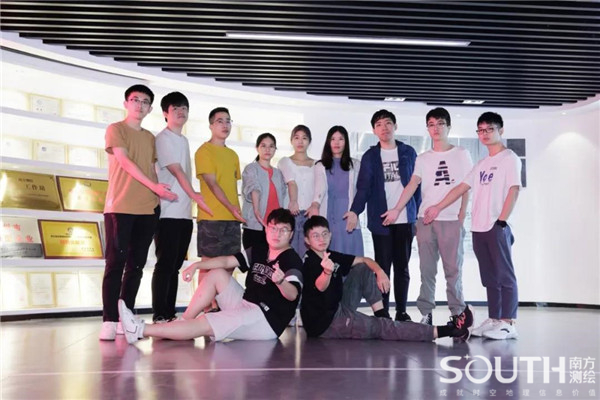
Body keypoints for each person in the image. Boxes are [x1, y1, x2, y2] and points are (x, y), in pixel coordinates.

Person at [118, 208, 303, 343]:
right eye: (273, 228)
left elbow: (293, 294)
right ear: (266, 229)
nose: (277, 234)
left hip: (265, 320)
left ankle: (139, 330)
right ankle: (184, 322)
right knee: (217, 274)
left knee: (207, 322)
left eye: (283, 230)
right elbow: (226, 262)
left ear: (291, 234)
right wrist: (197, 265)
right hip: (246, 303)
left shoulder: (292, 260)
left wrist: (281, 281)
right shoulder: (260, 250)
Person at [424, 111, 521, 340]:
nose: (485, 134)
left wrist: (502, 220)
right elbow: (460, 188)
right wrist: (437, 207)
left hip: (496, 226)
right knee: (489, 277)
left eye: (490, 129)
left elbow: (514, 189)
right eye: (481, 130)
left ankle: (508, 322)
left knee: (505, 275)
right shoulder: (482, 163)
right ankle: (495, 319)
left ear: (500, 131)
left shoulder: (509, 158)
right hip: (479, 228)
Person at [300, 216, 473, 341]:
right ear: (307, 240)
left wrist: (380, 272)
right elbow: (320, 286)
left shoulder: (331, 255)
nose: (321, 239)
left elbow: (365, 260)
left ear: (330, 235)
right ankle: (448, 331)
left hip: (337, 306)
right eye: (315, 236)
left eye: (324, 234)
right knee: (383, 328)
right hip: (327, 324)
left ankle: (382, 314)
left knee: (362, 268)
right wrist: (327, 272)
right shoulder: (310, 262)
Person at [381, 108, 472, 326]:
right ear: (427, 129)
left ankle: (457, 313)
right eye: (431, 124)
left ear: (448, 127)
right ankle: (426, 312)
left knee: (453, 270)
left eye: (440, 123)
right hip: (425, 221)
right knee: (427, 270)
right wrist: (396, 209)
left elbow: (466, 185)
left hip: (450, 219)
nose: (436, 128)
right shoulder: (423, 158)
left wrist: (460, 214)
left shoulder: (461, 154)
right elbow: (412, 184)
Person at [100, 84, 178, 340]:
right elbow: (124, 161)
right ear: (126, 103)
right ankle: (109, 319)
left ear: (150, 108)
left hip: (147, 209)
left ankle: (125, 316)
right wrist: (155, 187)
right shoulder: (116, 129)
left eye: (145, 102)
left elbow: (153, 168)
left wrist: (158, 195)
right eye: (136, 100)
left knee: (136, 266)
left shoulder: (149, 138)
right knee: (115, 264)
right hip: (120, 207)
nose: (140, 105)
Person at [346, 110, 420, 321]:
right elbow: (363, 188)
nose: (384, 128)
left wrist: (415, 213)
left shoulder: (408, 152)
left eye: (388, 123)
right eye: (379, 124)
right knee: (383, 267)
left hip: (405, 219)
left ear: (395, 126)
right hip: (381, 220)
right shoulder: (370, 156)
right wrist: (355, 211)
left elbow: (417, 186)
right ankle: (383, 312)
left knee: (402, 267)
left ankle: (402, 311)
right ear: (373, 130)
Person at [151, 91, 212, 323]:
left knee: (175, 265)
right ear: (165, 113)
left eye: (184, 108)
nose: (180, 112)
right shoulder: (163, 138)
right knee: (165, 264)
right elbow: (176, 171)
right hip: (168, 212)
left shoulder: (183, 140)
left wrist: (192, 200)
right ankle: (159, 314)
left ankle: (169, 312)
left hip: (184, 214)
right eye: (175, 108)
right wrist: (195, 195)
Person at [194, 107, 245, 295]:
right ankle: (205, 306)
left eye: (228, 121)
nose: (225, 125)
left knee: (230, 264)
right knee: (208, 264)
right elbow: (212, 183)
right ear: (211, 126)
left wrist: (235, 210)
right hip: (211, 217)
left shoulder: (233, 155)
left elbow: (232, 186)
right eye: (220, 121)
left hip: (233, 218)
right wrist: (231, 207)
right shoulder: (204, 151)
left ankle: (219, 303)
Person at [313, 125, 364, 256]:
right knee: (329, 256)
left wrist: (355, 212)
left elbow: (361, 192)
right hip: (328, 215)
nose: (336, 142)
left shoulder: (356, 164)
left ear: (346, 142)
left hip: (348, 216)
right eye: (333, 139)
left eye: (341, 139)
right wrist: (314, 205)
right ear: (328, 142)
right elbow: (318, 191)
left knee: (351, 257)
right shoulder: (320, 165)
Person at [241, 133, 287, 249]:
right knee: (254, 258)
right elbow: (254, 188)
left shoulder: (278, 173)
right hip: (255, 226)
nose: (267, 149)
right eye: (263, 146)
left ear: (275, 149)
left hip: (274, 228)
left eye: (271, 146)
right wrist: (257, 211)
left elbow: (283, 195)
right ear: (257, 148)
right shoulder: (251, 168)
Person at [277, 124, 317, 257]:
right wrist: (293, 201)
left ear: (309, 141)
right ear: (291, 140)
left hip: (310, 214)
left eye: (304, 138)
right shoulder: (285, 161)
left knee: (309, 255)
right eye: (296, 137)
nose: (300, 141)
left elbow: (320, 189)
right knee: (290, 253)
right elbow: (291, 182)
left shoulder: (318, 164)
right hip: (291, 213)